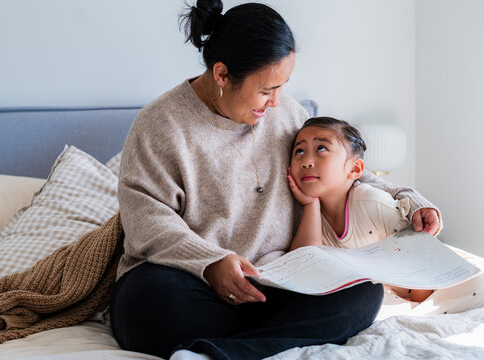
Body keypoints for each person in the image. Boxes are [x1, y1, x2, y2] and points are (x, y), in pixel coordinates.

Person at [110, 1, 441, 359]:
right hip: (192, 281)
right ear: (222, 75)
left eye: (282, 87)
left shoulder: (286, 115)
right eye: (267, 90)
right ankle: (267, 340)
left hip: (276, 283)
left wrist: (410, 200)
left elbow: (342, 176)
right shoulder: (161, 124)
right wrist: (210, 263)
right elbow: (147, 221)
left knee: (364, 293)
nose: (276, 102)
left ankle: (217, 352)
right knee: (146, 304)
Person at [287, 116, 435, 302]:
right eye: (299, 151)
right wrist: (311, 205)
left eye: (321, 148)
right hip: (373, 299)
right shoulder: (308, 215)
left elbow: (423, 267)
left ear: (355, 169)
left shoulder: (372, 202)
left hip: (420, 294)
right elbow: (301, 267)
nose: (306, 161)